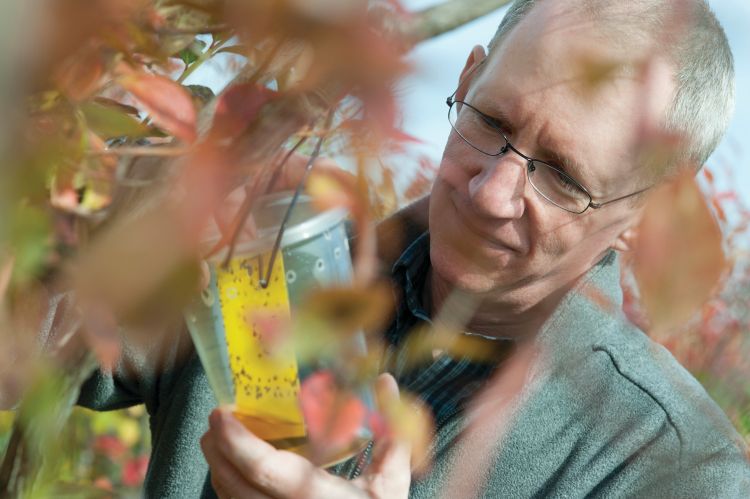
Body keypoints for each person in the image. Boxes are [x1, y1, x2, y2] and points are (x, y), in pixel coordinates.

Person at [199, 0, 750, 497]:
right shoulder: (272, 264)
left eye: (562, 177)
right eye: (491, 121)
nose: (490, 194)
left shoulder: (674, 471)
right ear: (466, 81)